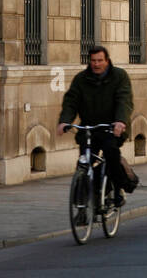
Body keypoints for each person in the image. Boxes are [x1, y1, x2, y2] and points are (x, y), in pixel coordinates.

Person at [57, 46, 138, 206]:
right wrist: (65, 120)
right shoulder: (81, 79)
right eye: (93, 61)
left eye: (100, 60)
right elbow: (71, 101)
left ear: (107, 61)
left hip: (112, 128)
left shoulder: (119, 76)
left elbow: (124, 100)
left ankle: (117, 189)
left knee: (110, 153)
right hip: (89, 129)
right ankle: (81, 206)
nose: (96, 64)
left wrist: (120, 121)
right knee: (84, 163)